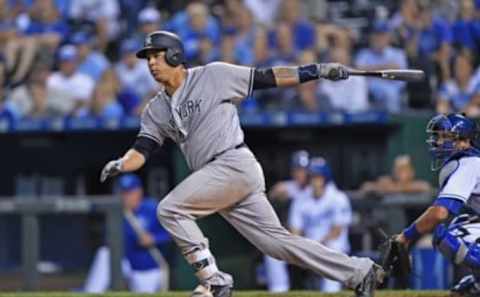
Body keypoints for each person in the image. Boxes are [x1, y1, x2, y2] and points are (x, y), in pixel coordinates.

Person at [100, 30, 384, 297]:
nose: (150, 63)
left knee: (170, 210)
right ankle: (359, 272)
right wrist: (121, 163)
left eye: (156, 55)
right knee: (277, 244)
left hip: (232, 162)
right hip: (217, 176)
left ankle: (214, 281)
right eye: (147, 58)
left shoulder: (213, 75)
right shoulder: (155, 109)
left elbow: (267, 77)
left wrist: (316, 71)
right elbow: (142, 149)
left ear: (175, 55)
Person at [392, 113, 480, 296]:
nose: (439, 142)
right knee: (464, 223)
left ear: (465, 142)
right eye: (438, 136)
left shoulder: (469, 163)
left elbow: (439, 213)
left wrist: (406, 236)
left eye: (446, 137)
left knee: (454, 234)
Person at [83, 174, 170, 293]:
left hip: (148, 269)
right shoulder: (116, 213)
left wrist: (154, 238)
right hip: (126, 263)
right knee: (105, 253)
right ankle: (91, 293)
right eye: (122, 193)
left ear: (139, 191)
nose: (125, 197)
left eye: (129, 192)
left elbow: (172, 234)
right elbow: (108, 240)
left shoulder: (152, 208)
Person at [289, 157, 352, 292]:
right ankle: (278, 291)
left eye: (318, 176)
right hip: (308, 246)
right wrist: (302, 247)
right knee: (273, 254)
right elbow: (295, 230)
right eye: (312, 176)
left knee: (333, 247)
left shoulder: (338, 197)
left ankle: (331, 292)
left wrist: (316, 246)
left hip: (331, 245)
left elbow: (336, 232)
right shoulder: (301, 199)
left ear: (325, 178)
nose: (314, 180)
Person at [264, 149, 311, 293]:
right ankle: (279, 291)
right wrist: (275, 194)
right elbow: (272, 193)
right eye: (297, 169)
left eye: (303, 169)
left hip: (313, 237)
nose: (299, 173)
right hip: (293, 237)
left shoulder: (318, 187)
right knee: (271, 252)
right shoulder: (288, 187)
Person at [360, 154, 432, 195]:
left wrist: (398, 188)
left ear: (411, 172)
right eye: (399, 169)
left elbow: (426, 186)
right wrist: (380, 187)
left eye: (405, 169)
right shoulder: (387, 183)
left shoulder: (417, 185)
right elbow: (366, 186)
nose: (401, 173)